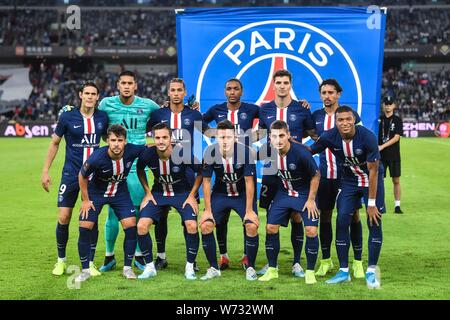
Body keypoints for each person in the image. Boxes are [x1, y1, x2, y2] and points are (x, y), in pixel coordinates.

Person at [310, 106, 385, 289]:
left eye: (348, 119)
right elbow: (309, 150)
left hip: (370, 181)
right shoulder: (329, 136)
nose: (344, 123)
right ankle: (344, 271)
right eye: (340, 120)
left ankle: (371, 271)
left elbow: (373, 172)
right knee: (342, 219)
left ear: (354, 120)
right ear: (336, 122)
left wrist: (372, 203)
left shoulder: (367, 137)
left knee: (373, 221)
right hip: (349, 181)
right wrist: (289, 143)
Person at [41, 81, 108, 276]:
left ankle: (90, 262)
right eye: (86, 93)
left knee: (91, 219)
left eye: (93, 94)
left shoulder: (103, 117)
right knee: (64, 217)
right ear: (80, 95)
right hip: (70, 174)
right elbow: (55, 143)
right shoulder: (67, 117)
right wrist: (45, 171)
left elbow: (108, 138)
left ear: (97, 97)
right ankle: (60, 261)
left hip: (94, 176)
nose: (89, 96)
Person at [96, 71, 161, 272]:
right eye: (123, 82)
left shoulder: (148, 105)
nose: (126, 86)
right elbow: (92, 117)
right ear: (118, 85)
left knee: (140, 211)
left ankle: (139, 256)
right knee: (113, 214)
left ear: (135, 86)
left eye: (129, 83)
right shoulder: (106, 104)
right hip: (113, 165)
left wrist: (189, 108)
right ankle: (109, 256)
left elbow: (165, 117)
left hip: (136, 167)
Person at [257, 69, 318, 278]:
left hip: (296, 170)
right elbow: (257, 133)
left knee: (296, 217)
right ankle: (270, 262)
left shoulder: (301, 109)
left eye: (285, 82)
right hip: (271, 168)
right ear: (273, 85)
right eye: (279, 82)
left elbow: (313, 134)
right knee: (269, 215)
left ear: (290, 85)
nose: (282, 86)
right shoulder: (264, 110)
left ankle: (296, 262)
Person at [148, 78, 206, 270]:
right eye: (172, 90)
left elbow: (208, 131)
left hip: (188, 174)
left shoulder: (194, 114)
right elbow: (143, 132)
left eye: (179, 90)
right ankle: (161, 256)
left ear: (184, 92)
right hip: (163, 173)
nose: (175, 93)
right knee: (160, 216)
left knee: (188, 218)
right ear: (168, 93)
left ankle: (192, 260)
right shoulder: (158, 114)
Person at [202, 78, 260, 270]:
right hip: (222, 189)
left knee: (250, 222)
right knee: (219, 221)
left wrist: (253, 138)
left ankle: (246, 257)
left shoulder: (251, 109)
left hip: (242, 174)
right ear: (225, 91)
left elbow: (269, 116)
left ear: (241, 91)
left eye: (236, 89)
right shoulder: (216, 110)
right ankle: (223, 257)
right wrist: (215, 136)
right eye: (229, 89)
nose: (232, 92)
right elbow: (198, 122)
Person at [76, 125, 146, 282]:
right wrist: (86, 200)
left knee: (130, 225)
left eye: (120, 140)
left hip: (120, 193)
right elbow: (82, 175)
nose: (116, 144)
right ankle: (85, 269)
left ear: (125, 141)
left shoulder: (132, 150)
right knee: (85, 225)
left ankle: (127, 268)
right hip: (96, 193)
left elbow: (148, 148)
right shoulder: (97, 157)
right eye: (113, 140)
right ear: (107, 140)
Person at [312, 79, 365, 279]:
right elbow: (310, 134)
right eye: (324, 93)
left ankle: (357, 262)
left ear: (339, 94)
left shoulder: (349, 116)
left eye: (331, 92)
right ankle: (326, 260)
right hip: (325, 176)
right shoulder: (315, 116)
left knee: (353, 216)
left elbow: (360, 139)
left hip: (348, 178)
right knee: (324, 216)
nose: (327, 96)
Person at [135, 122, 203, 280]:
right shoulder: (147, 154)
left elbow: (201, 172)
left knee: (192, 225)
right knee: (141, 225)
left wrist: (192, 195)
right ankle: (150, 267)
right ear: (152, 138)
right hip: (158, 193)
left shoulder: (183, 153)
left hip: (182, 193)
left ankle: (190, 267)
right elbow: (140, 170)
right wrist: (147, 192)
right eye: (157, 137)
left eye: (164, 137)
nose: (160, 141)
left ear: (170, 138)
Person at [378, 96, 404, 214]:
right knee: (379, 181)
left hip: (393, 155)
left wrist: (382, 146)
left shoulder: (397, 120)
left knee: (396, 180)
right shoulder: (379, 119)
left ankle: (397, 206)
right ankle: (380, 204)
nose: (388, 106)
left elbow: (397, 137)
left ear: (394, 106)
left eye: (390, 104)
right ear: (383, 106)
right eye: (386, 104)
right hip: (380, 156)